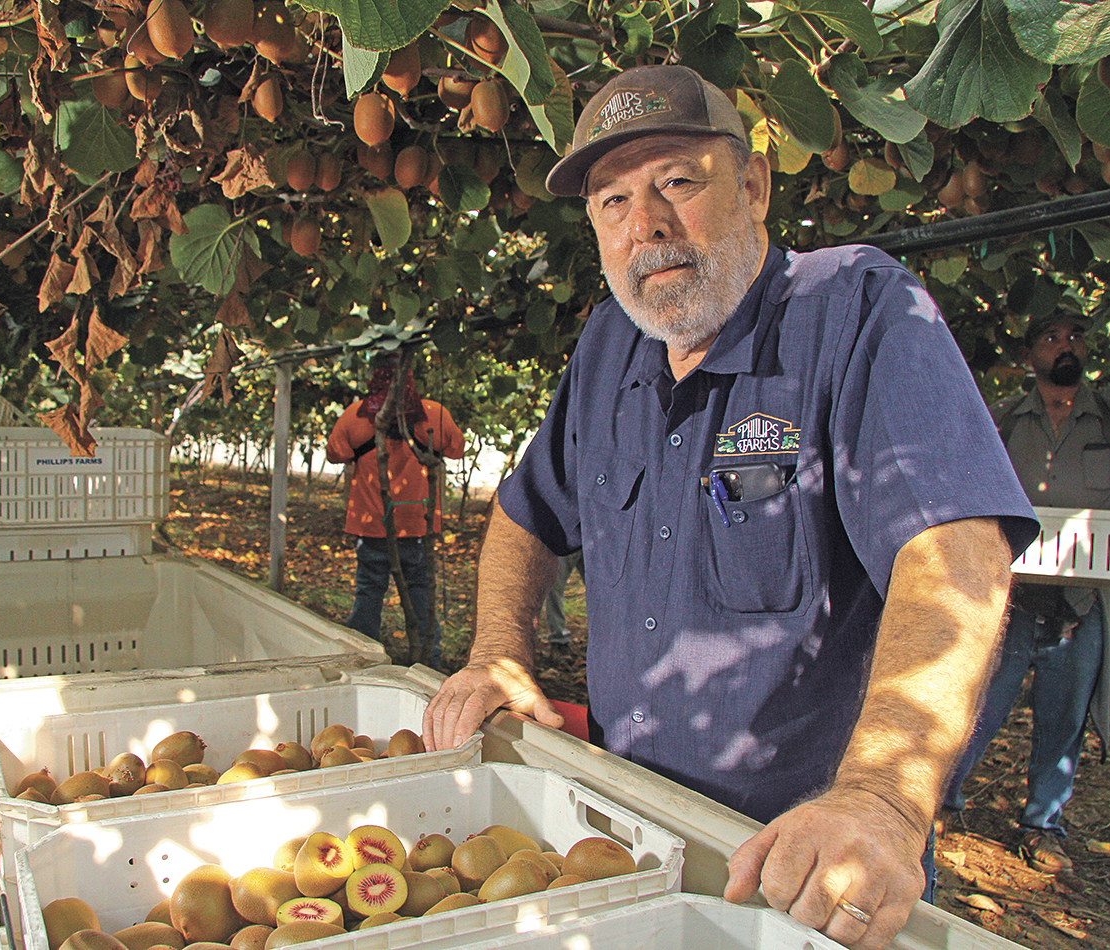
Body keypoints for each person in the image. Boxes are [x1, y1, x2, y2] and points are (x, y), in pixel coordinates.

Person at [421, 64, 1039, 950]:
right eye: (613, 202)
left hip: (804, 869)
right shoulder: (607, 345)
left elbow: (955, 549)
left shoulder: (853, 306)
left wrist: (881, 799)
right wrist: (497, 653)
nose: (649, 228)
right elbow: (526, 513)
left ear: (752, 185)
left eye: (677, 182)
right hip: (626, 834)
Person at [942, 311, 1108, 875]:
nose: (1066, 346)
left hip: (1083, 607)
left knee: (1065, 721)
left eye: (1075, 337)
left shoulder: (1105, 419)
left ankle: (1042, 825)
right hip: (1010, 599)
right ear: (1031, 353)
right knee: (979, 704)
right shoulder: (1005, 420)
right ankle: (941, 801)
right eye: (1051, 337)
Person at [327, 356, 463, 668]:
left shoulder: (354, 416)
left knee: (369, 590)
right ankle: (429, 661)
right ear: (408, 380)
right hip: (418, 525)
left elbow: (336, 453)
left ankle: (362, 658)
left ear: (373, 380)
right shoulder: (434, 414)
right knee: (420, 591)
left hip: (372, 524)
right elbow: (457, 449)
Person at [543, 551, 584, 646]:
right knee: (554, 588)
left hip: (591, 540)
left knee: (600, 590)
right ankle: (559, 639)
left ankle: (606, 635)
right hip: (564, 543)